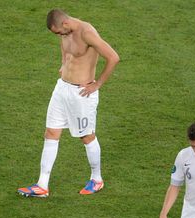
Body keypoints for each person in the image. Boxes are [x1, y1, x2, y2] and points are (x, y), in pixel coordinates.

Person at [17, 9, 119, 197]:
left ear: (65, 24)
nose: (58, 36)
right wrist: (63, 64)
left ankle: (96, 179)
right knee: (51, 132)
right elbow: (66, 50)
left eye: (57, 32)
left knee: (86, 136)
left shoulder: (87, 32)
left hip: (81, 94)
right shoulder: (65, 32)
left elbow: (113, 57)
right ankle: (42, 185)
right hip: (62, 89)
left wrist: (98, 84)